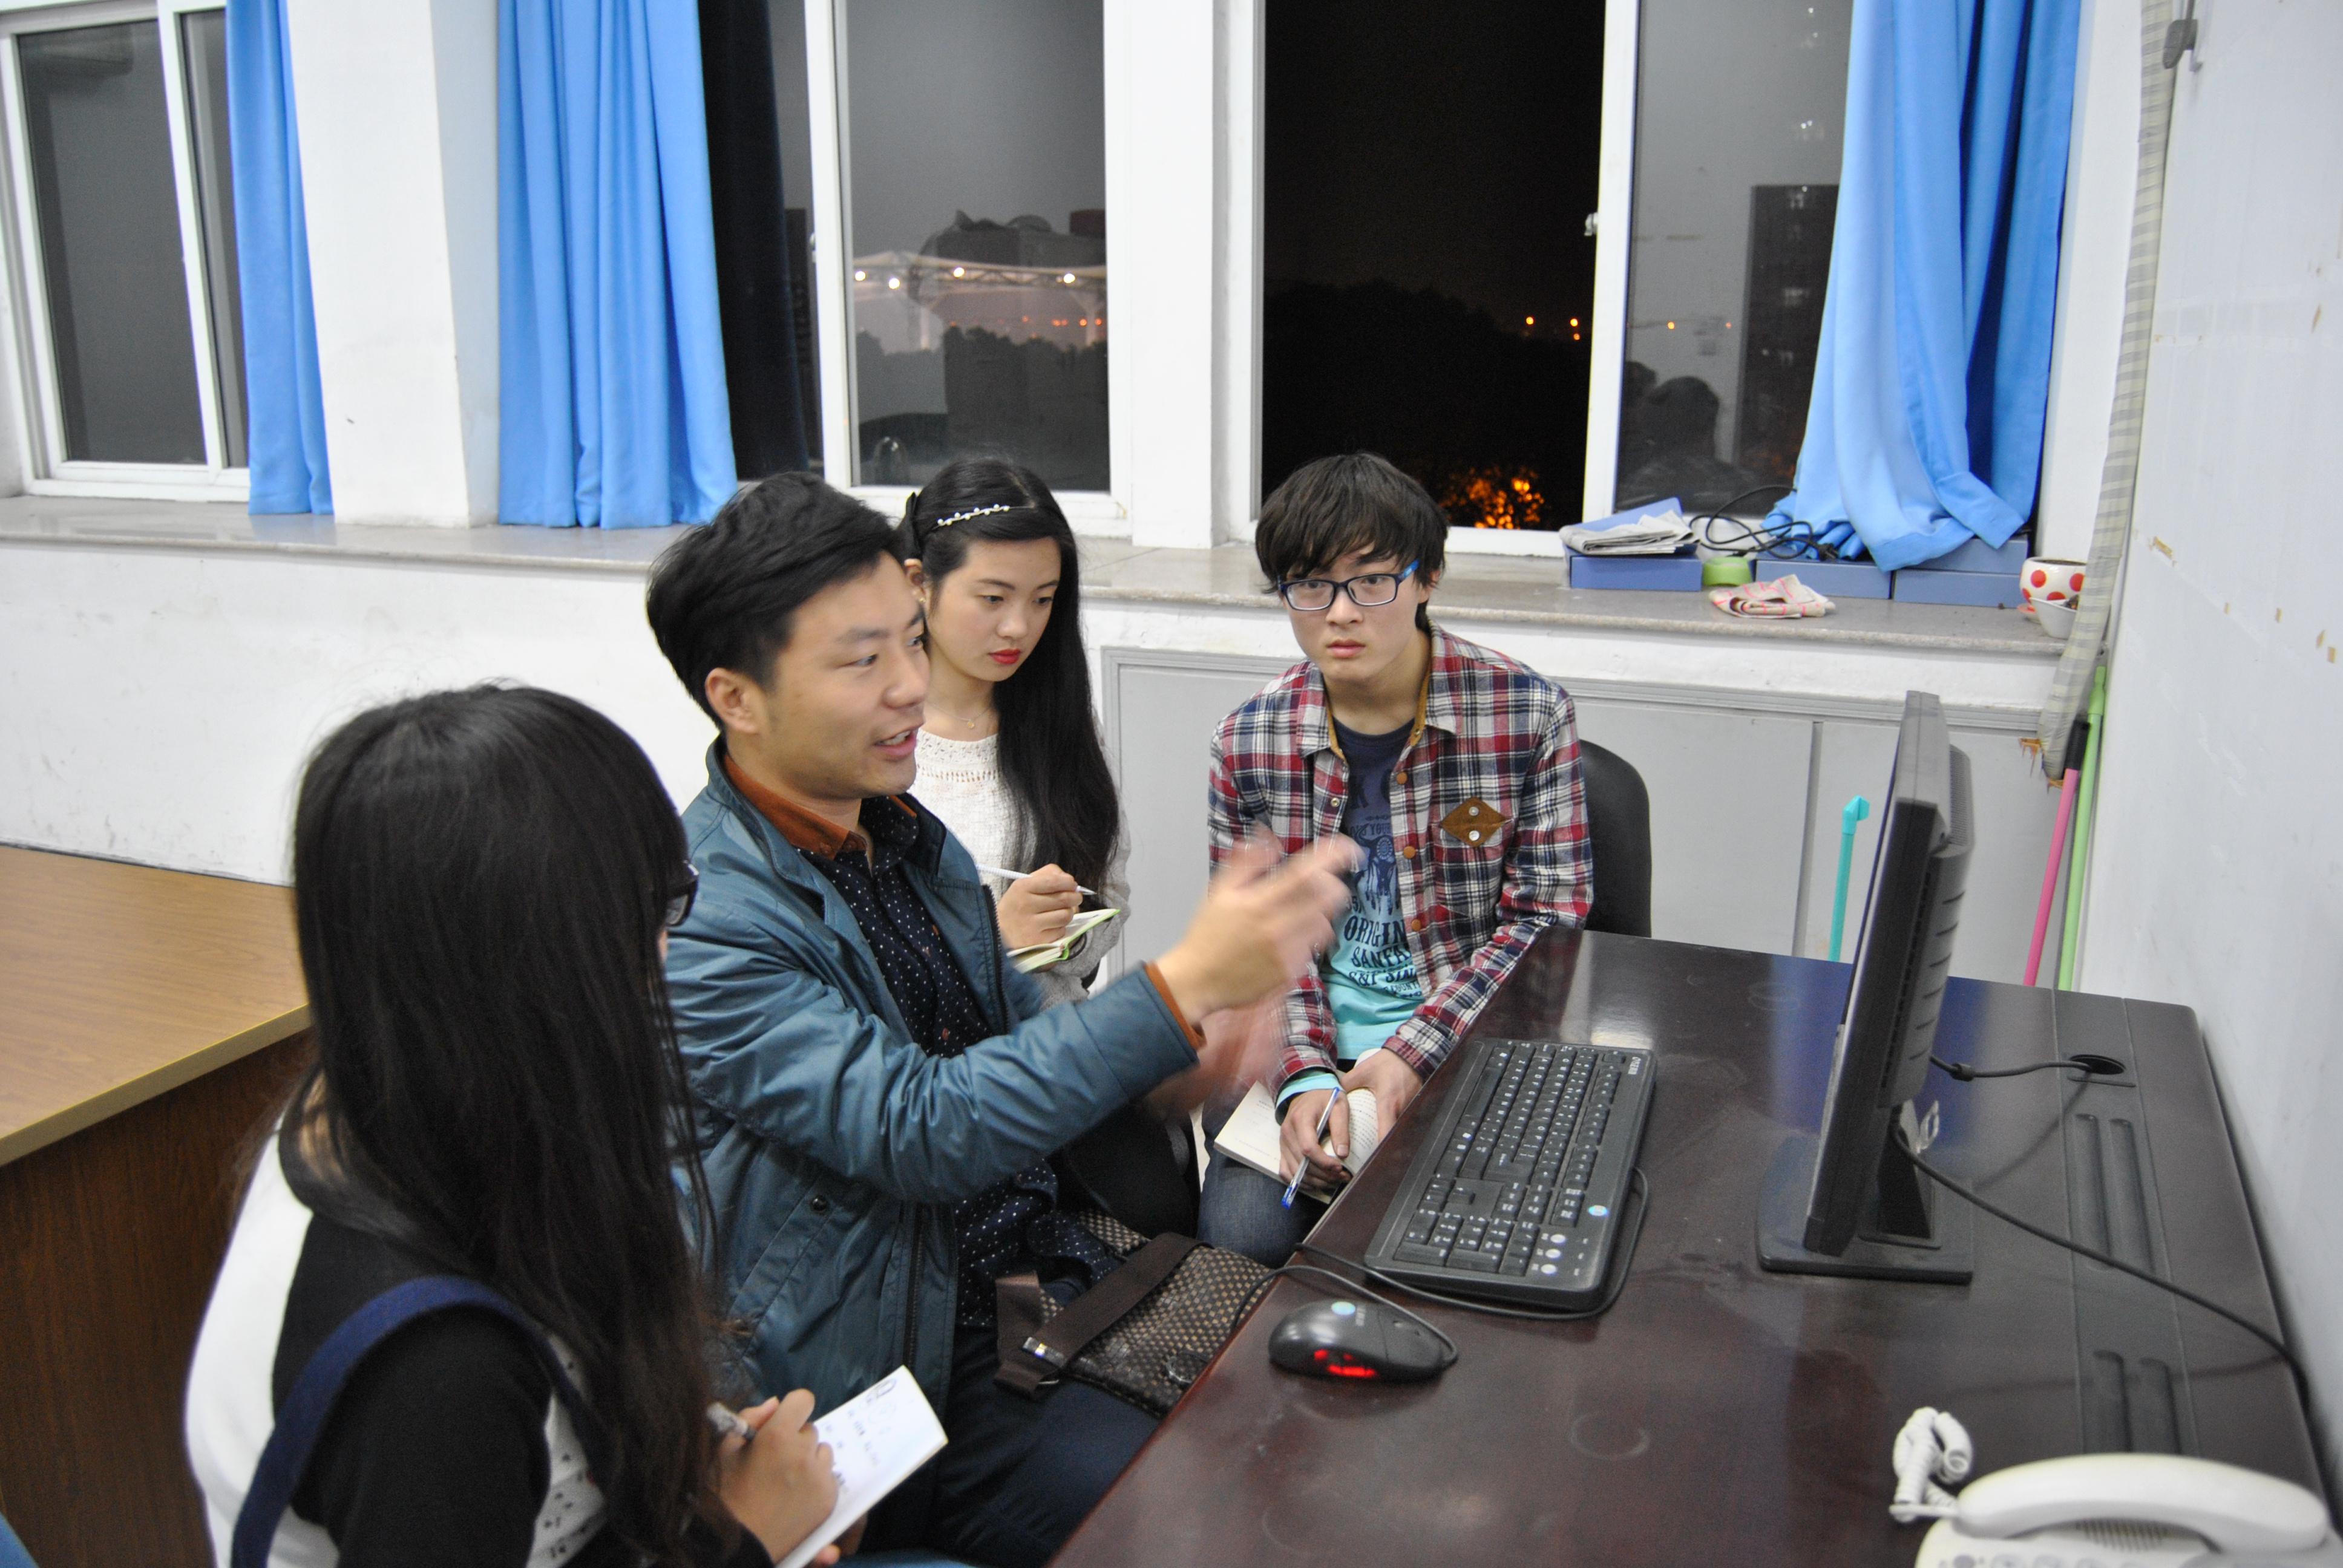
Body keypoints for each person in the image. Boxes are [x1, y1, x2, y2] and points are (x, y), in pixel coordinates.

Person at [643, 473, 1354, 1568]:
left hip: (1041, 1272)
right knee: (1227, 1516)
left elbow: (1018, 1037)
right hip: (909, 1370)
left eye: (909, 641)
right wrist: (1173, 993)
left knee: (1318, 1402)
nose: (911, 685)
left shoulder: (900, 835)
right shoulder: (710, 925)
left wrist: (1183, 1061)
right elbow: (924, 1127)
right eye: (861, 661)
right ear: (737, 697)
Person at [184, 687, 850, 1568]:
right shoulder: (432, 1370)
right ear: (532, 973)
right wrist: (746, 1537)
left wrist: (717, 1477)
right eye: (650, 914)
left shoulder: (390, 1102)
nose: (665, 951)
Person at [1196, 452, 1594, 1267]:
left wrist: (1414, 1053)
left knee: (1473, 1260)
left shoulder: (1527, 715)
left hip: (1465, 1045)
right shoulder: (1247, 741)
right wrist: (1305, 1076)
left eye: (1372, 581)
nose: (1341, 614)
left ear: (1427, 578)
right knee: (1243, 1244)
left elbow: (1546, 923)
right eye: (1311, 585)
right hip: (1307, 1050)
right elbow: (1258, 942)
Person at [899, 458, 1126, 1009]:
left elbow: (1110, 897)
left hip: (1058, 1039)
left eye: (1043, 599)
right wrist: (995, 939)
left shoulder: (1056, 718)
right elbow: (852, 962)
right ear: (919, 583)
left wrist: (1065, 931)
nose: (1019, 627)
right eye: (993, 599)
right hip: (930, 1054)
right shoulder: (879, 738)